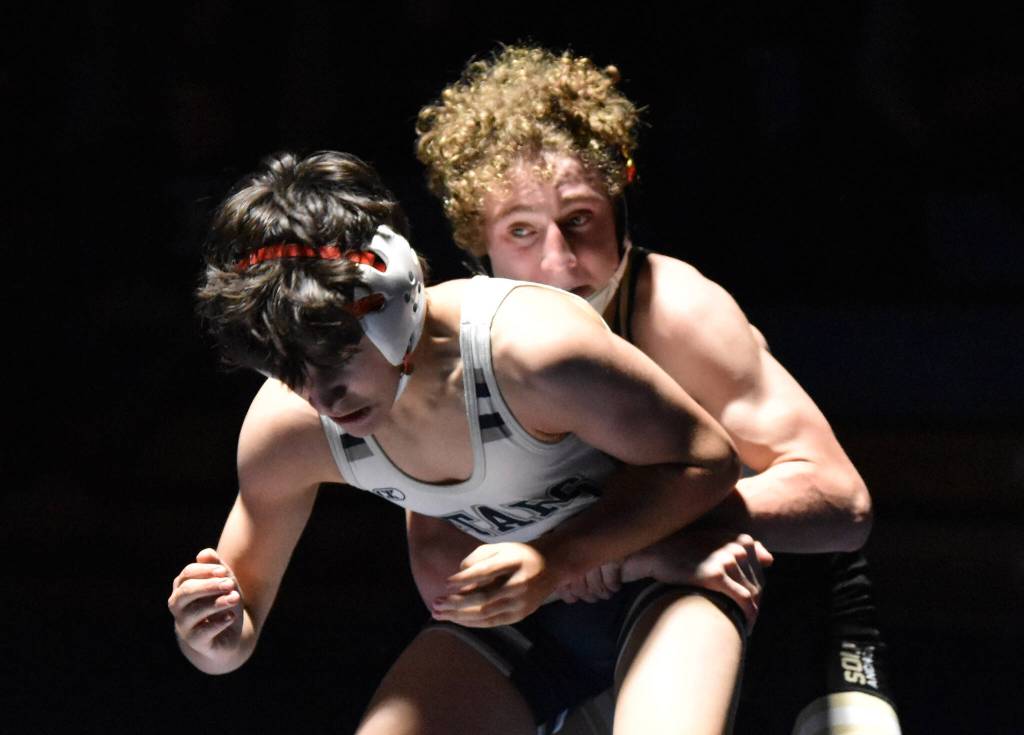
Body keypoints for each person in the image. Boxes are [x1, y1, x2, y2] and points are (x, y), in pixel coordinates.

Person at [167, 149, 766, 734]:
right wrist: (211, 636)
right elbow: (233, 640)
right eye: (288, 368)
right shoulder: (287, 427)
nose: (322, 397)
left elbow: (709, 459)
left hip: (666, 579)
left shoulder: (533, 352)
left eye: (336, 359)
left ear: (396, 298)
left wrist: (560, 559)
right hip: (517, 614)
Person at [413, 46, 903, 734]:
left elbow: (841, 501)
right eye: (521, 231)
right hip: (600, 603)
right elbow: (438, 560)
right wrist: (595, 551)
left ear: (619, 203)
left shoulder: (673, 310)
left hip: (782, 601)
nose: (560, 261)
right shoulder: (454, 348)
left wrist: (615, 543)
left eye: (579, 218)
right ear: (478, 242)